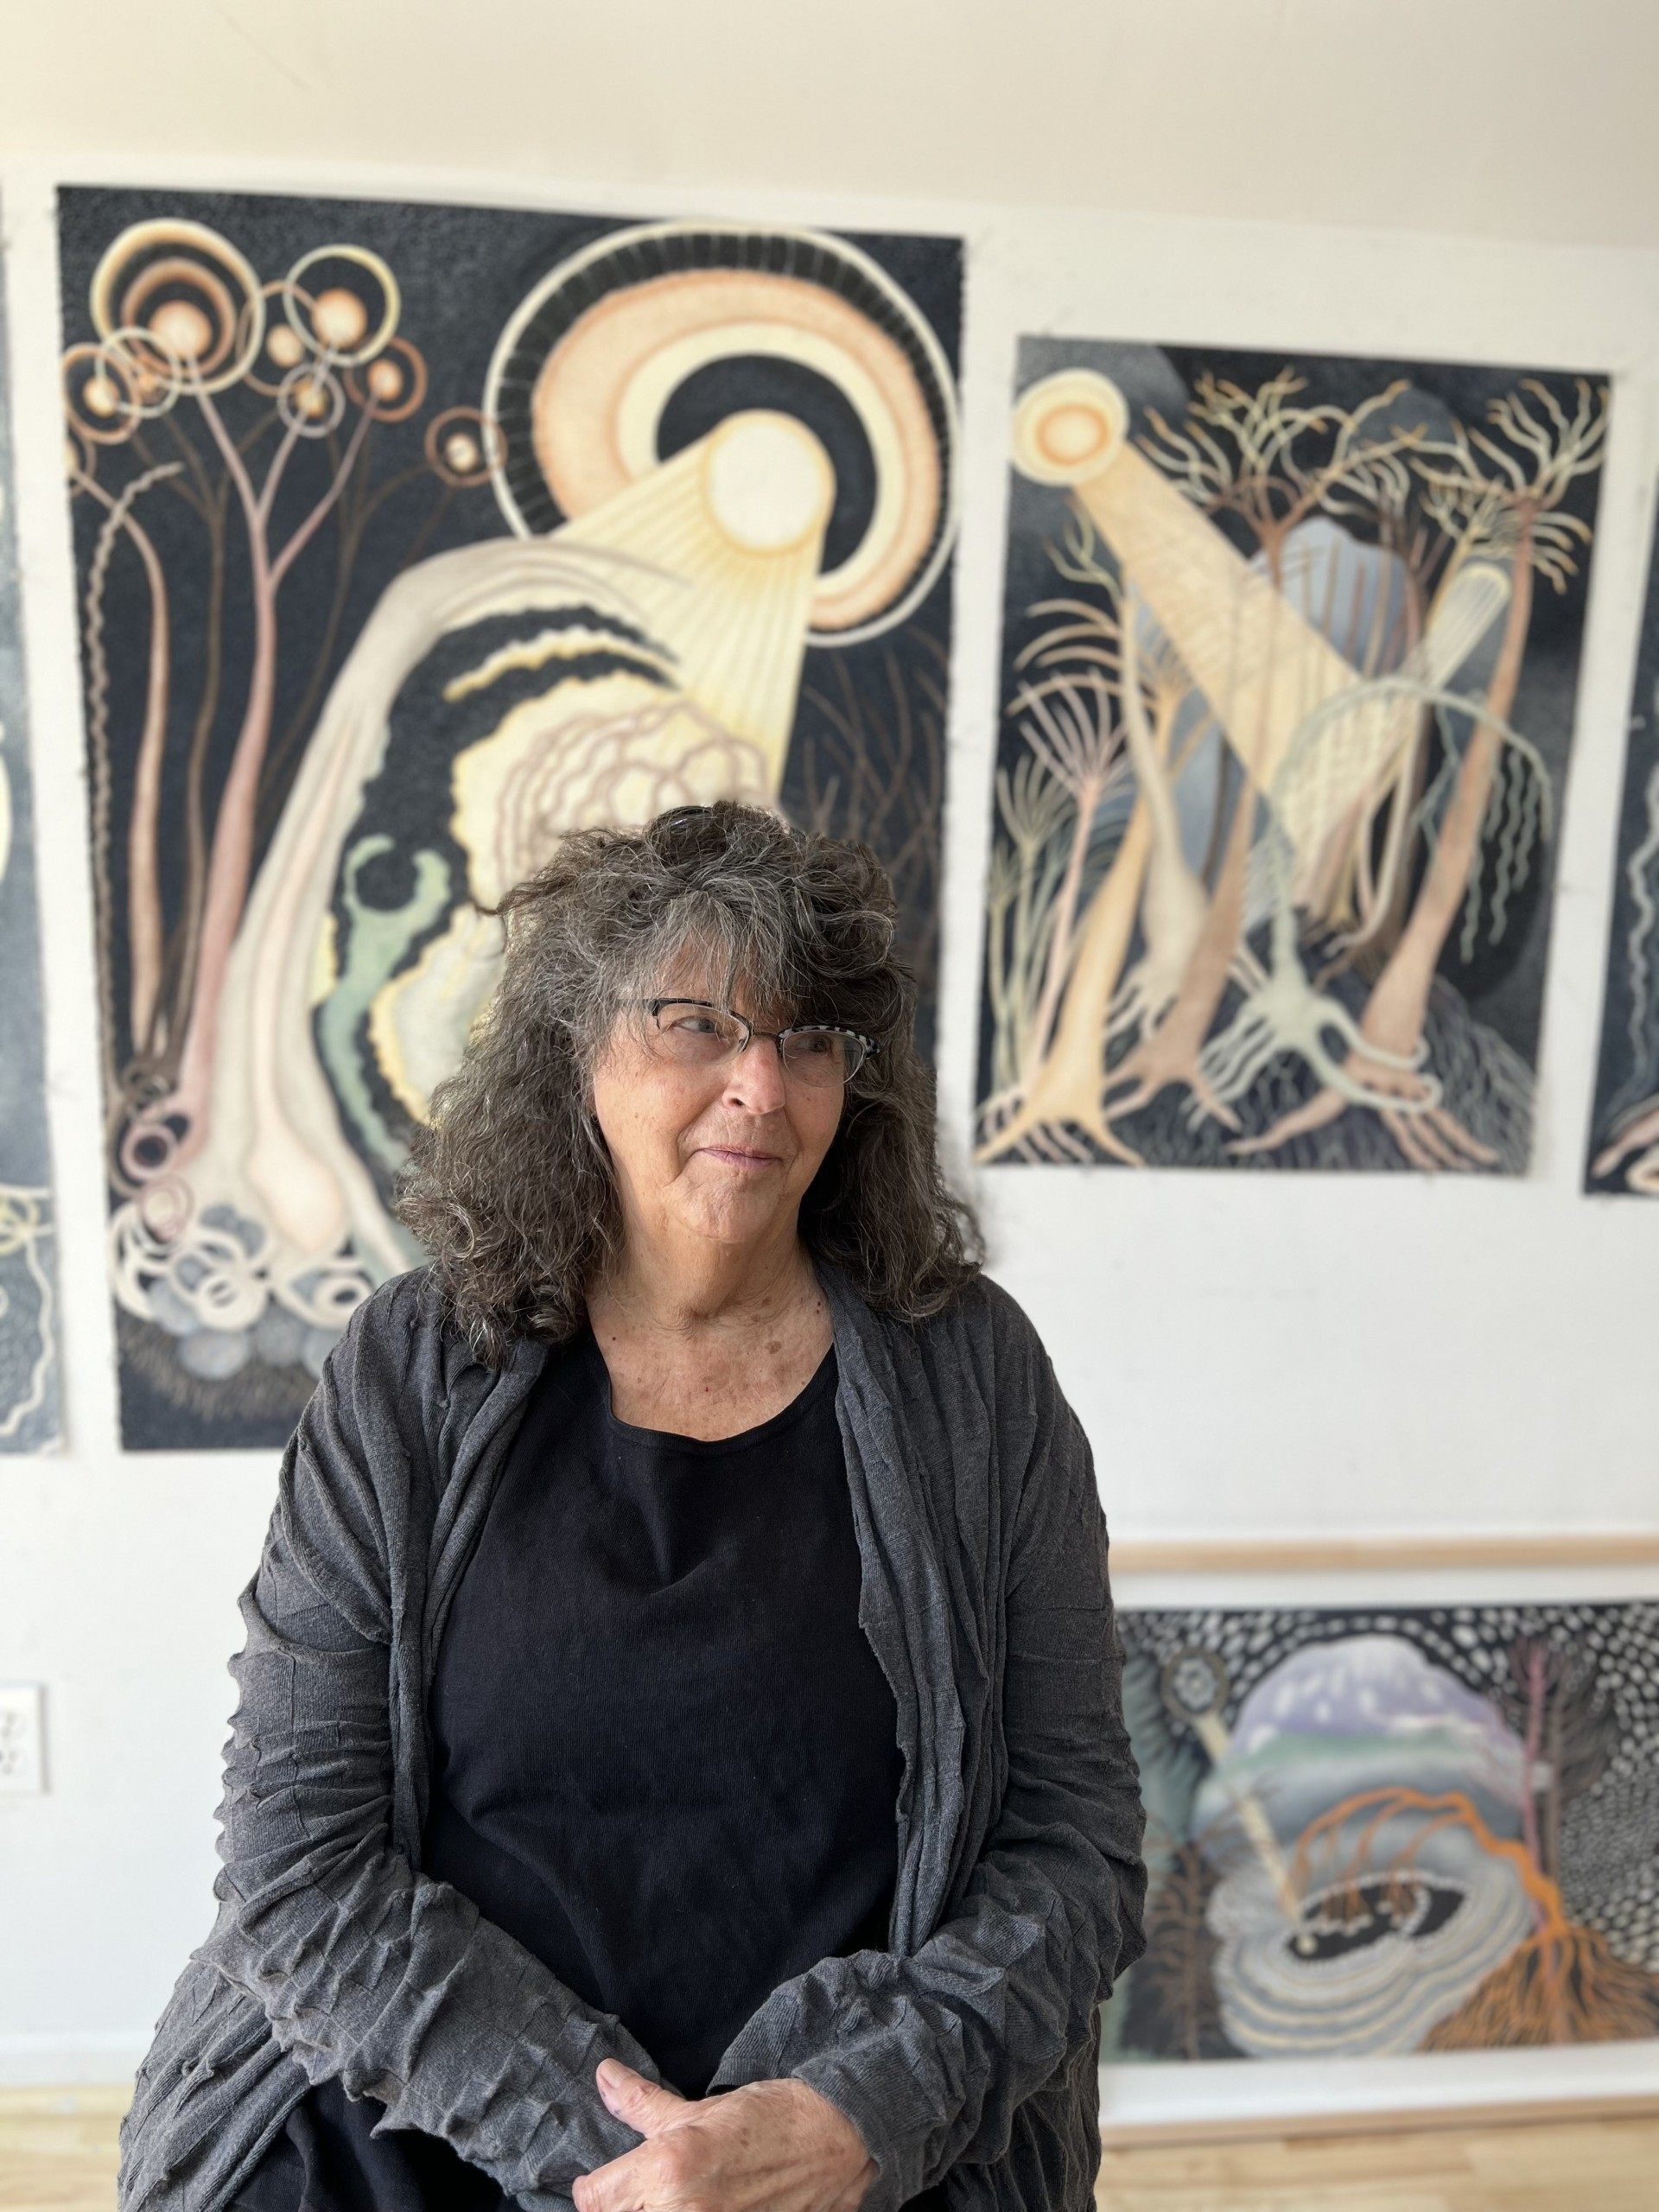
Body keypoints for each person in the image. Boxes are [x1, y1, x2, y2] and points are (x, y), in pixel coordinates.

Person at [117, 801, 1147, 2212]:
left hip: (845, 2147)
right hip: (415, 2109)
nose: (761, 1089)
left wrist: (858, 2115)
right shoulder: (409, 1371)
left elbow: (1074, 1845)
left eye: (806, 1041)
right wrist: (641, 2167)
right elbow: (296, 1865)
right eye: (696, 1026)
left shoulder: (976, 1378)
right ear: (580, 1054)